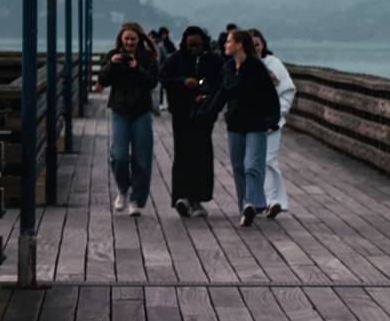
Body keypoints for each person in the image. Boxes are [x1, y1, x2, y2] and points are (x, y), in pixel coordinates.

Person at [201, 29, 279, 226]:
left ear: (239, 45)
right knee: (237, 167)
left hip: (256, 123)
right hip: (235, 124)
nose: (225, 45)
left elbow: (270, 94)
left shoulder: (256, 67)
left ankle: (251, 203)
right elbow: (221, 94)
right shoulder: (227, 67)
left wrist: (272, 119)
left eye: (229, 42)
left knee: (252, 165)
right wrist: (205, 113)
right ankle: (245, 206)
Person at [96, 21, 159, 215]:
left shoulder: (147, 57)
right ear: (121, 40)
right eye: (126, 39)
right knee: (119, 155)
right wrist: (111, 65)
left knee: (142, 157)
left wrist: (136, 67)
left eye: (133, 39)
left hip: (141, 111)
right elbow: (103, 80)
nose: (130, 42)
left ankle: (136, 199)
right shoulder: (113, 56)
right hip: (119, 110)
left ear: (139, 39)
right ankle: (123, 189)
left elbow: (152, 82)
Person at [160, 26, 222, 217]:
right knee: (182, 154)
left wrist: (206, 95)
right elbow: (163, 78)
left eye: (198, 44)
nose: (194, 48)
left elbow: (220, 84)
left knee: (202, 155)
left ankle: (197, 198)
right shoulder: (176, 59)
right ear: (184, 44)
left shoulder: (214, 60)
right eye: (190, 45)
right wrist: (182, 82)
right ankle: (181, 197)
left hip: (204, 115)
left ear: (204, 43)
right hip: (181, 113)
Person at [249, 27, 295, 218]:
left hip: (272, 122)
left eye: (257, 44)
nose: (255, 48)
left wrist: (279, 112)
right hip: (250, 122)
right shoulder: (244, 65)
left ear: (263, 44)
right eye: (251, 46)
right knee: (252, 163)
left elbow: (288, 90)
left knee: (269, 160)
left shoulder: (274, 63)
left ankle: (274, 200)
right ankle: (256, 200)